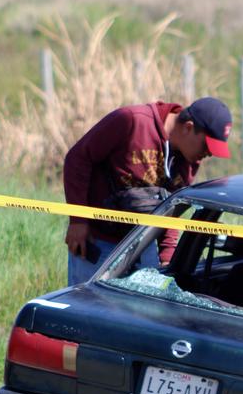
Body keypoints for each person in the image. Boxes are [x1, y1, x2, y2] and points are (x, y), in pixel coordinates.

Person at [63, 97, 232, 285]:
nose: (208, 154)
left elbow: (173, 206)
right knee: (89, 311)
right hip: (99, 241)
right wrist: (78, 221)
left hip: (144, 245)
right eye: (207, 146)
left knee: (144, 312)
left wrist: (167, 257)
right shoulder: (131, 121)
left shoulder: (190, 160)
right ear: (188, 127)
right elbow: (78, 158)